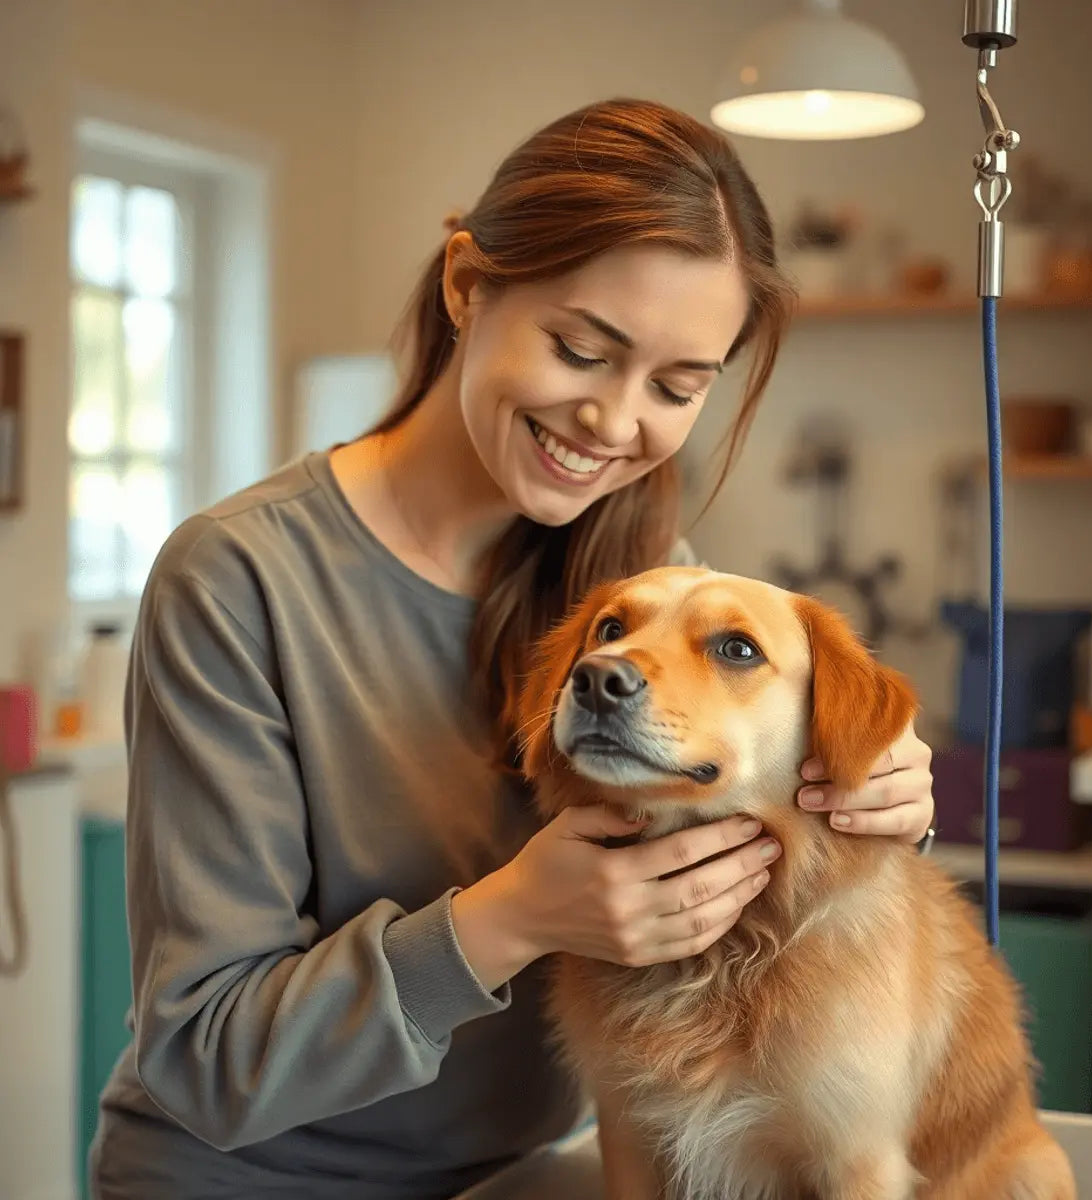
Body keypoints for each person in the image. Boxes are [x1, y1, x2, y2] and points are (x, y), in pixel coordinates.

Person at [91, 98, 936, 1200]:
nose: (615, 422)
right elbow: (207, 1058)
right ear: (464, 286)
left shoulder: (641, 584)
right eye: (584, 350)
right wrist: (510, 917)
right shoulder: (239, 580)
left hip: (512, 1177)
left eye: (678, 388)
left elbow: (741, 891)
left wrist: (865, 797)